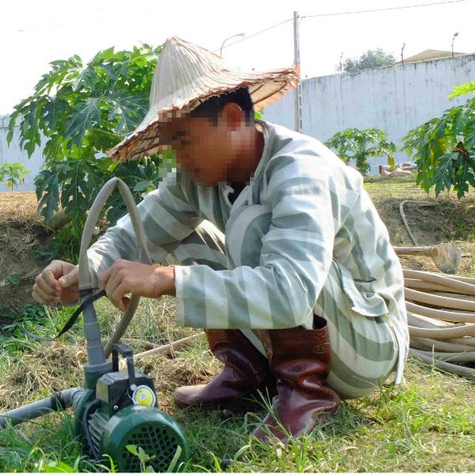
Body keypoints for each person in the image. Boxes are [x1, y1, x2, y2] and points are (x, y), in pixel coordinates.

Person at [32, 37, 408, 444]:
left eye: (184, 141)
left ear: (231, 119)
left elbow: (291, 293)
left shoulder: (299, 171)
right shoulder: (197, 181)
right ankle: (248, 372)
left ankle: (306, 392)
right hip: (329, 331)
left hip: (366, 344)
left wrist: (168, 279)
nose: (178, 159)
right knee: (190, 232)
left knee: (251, 224)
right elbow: (136, 234)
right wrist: (80, 275)